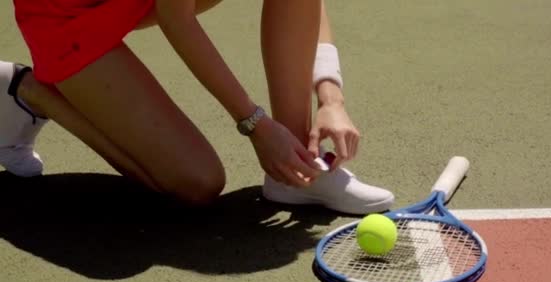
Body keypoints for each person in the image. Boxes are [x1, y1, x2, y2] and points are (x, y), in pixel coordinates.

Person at [1, 0, 394, 214]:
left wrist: (331, 96)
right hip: (65, 13)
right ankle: (32, 92)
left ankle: (295, 174)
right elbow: (178, 19)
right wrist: (256, 125)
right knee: (197, 183)